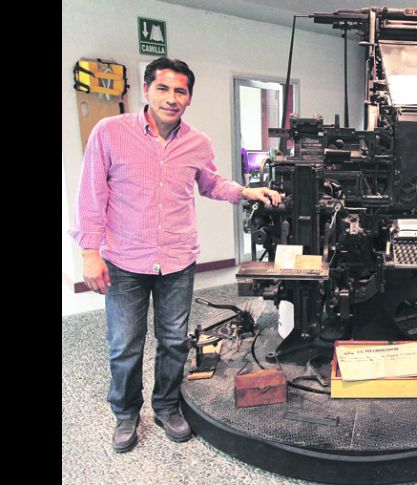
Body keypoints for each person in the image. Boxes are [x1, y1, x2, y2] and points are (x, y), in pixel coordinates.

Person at [69, 57, 283, 453]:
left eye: (180, 91)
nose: (171, 98)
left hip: (177, 260)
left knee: (173, 342)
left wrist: (245, 191)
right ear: (146, 90)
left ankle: (166, 406)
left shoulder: (197, 142)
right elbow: (91, 195)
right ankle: (126, 413)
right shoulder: (109, 132)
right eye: (163, 88)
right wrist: (89, 252)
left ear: (189, 97)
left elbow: (211, 182)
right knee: (125, 345)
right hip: (125, 260)